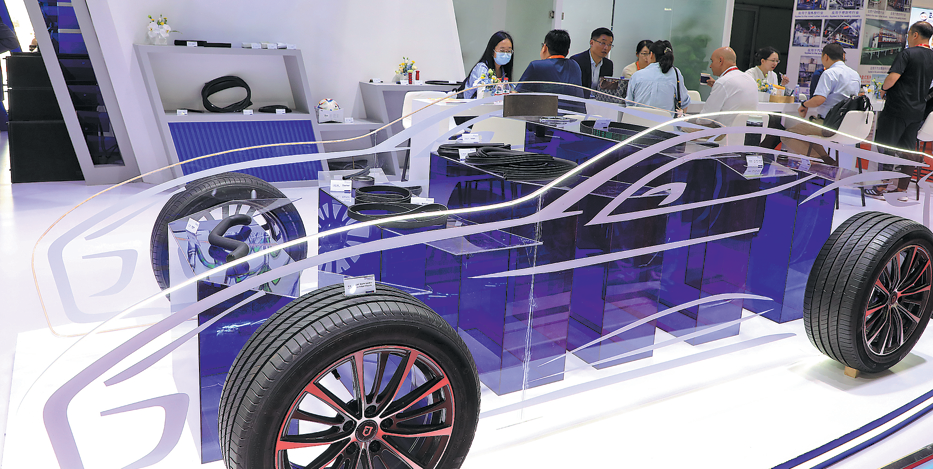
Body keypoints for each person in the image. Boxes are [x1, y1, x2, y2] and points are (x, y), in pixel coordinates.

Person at [867, 21, 933, 200]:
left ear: (915, 35)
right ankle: (901, 190)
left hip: (897, 109)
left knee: (886, 146)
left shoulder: (907, 53)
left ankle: (881, 187)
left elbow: (892, 79)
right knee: (908, 150)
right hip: (917, 111)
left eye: (909, 34)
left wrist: (883, 89)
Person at [780, 43, 860, 163]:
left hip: (828, 125)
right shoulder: (855, 75)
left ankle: (819, 162)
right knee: (808, 132)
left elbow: (819, 99)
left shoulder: (829, 73)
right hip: (847, 126)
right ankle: (827, 160)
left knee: (787, 135)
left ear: (826, 56)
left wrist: (804, 105)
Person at [694, 47, 758, 128]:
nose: (710, 66)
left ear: (721, 61)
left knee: (683, 127)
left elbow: (705, 119)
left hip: (723, 133)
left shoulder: (723, 82)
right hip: (746, 132)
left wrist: (692, 120)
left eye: (712, 61)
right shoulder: (750, 79)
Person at [624, 40, 691, 116]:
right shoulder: (675, 73)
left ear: (651, 55)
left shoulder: (637, 75)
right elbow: (684, 103)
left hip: (638, 121)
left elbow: (629, 104)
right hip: (665, 123)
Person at [517, 29, 583, 97]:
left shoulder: (536, 66)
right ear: (567, 52)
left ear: (544, 48)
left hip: (545, 104)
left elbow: (517, 95)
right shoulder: (575, 66)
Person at [462, 31, 514, 99]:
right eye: (502, 50)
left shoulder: (503, 70)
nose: (505, 54)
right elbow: (481, 93)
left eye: (509, 51)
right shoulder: (482, 68)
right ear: (492, 51)